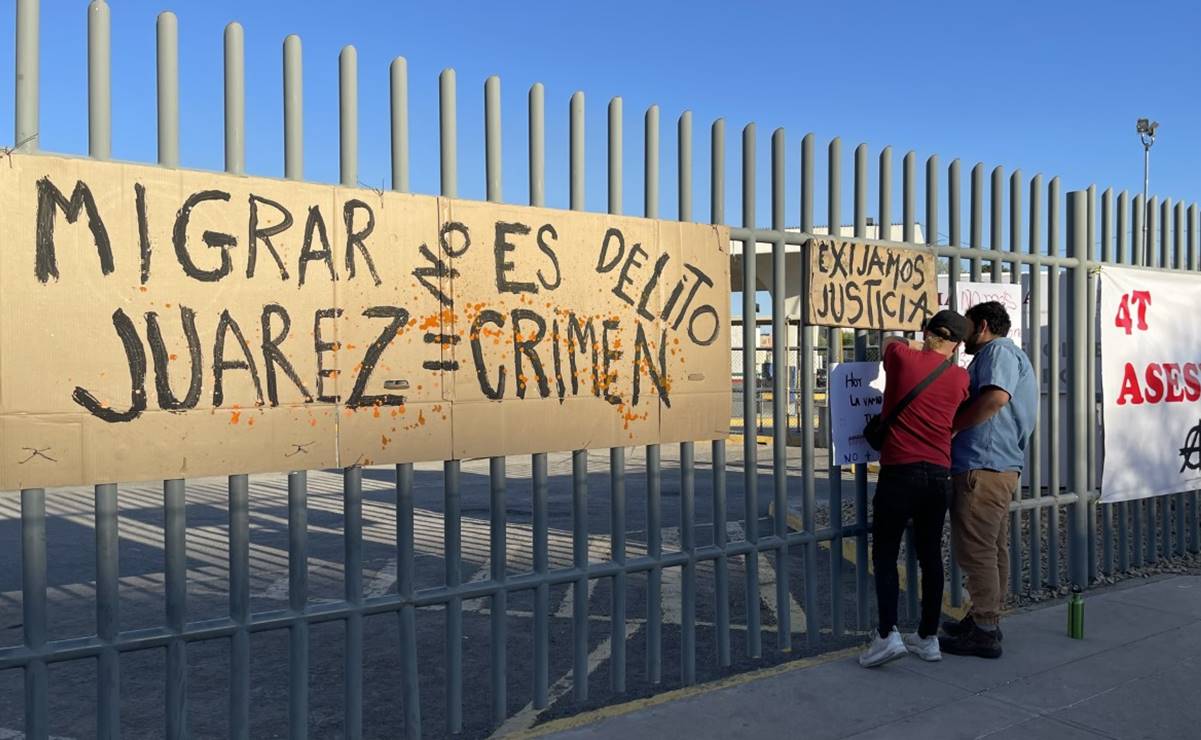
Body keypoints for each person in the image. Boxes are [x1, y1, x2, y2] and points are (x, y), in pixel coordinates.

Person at [859, 310, 972, 668]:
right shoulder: (960, 378)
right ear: (956, 345)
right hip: (939, 476)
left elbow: (888, 342)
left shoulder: (902, 358)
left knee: (886, 554)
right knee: (930, 556)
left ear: (927, 332)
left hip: (899, 472)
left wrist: (914, 339)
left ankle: (887, 634)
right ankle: (928, 638)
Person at [939, 301, 1037, 659]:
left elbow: (995, 397)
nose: (962, 336)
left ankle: (984, 630)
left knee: (977, 549)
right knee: (993, 548)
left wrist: (953, 426)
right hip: (998, 465)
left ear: (981, 326)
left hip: (983, 465)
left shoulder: (996, 352)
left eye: (966, 327)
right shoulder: (1010, 355)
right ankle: (984, 617)